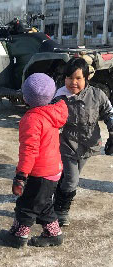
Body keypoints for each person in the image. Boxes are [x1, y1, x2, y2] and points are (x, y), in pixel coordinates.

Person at [0, 73, 68, 248]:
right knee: (43, 204)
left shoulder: (32, 119)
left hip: (40, 172)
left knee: (27, 205)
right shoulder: (54, 112)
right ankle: (54, 234)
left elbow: (29, 151)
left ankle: (19, 236)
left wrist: (21, 176)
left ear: (26, 97)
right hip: (54, 169)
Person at [53, 57, 113, 227]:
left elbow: (109, 112)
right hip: (67, 144)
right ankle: (61, 210)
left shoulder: (97, 95)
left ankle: (56, 197)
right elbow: (50, 118)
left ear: (87, 78)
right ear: (64, 78)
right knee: (72, 179)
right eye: (69, 78)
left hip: (87, 145)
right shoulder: (59, 97)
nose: (73, 82)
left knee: (68, 176)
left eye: (78, 78)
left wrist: (112, 131)